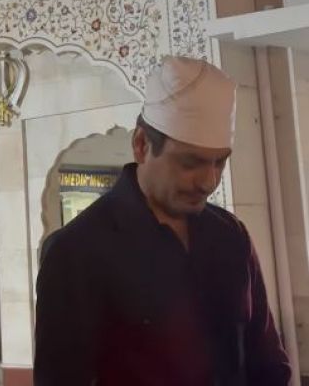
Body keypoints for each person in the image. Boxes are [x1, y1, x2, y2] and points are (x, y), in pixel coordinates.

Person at [34, 55, 291, 386]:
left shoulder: (230, 237)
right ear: (141, 145)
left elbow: (268, 364)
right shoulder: (77, 252)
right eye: (190, 163)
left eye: (219, 163)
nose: (208, 181)